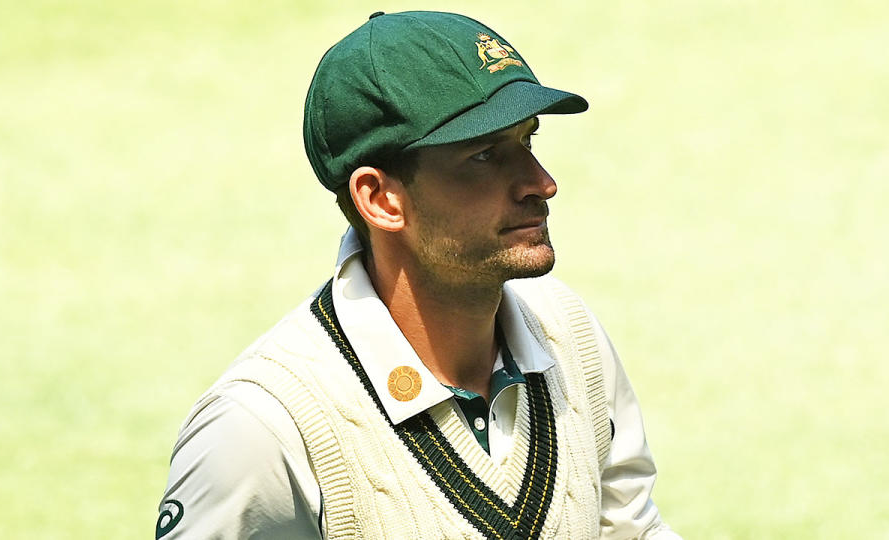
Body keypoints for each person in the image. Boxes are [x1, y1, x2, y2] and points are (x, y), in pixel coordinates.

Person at [157, 10, 681, 540]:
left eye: (528, 141)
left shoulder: (571, 333)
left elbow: (632, 529)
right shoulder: (259, 427)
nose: (540, 183)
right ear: (381, 199)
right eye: (483, 156)